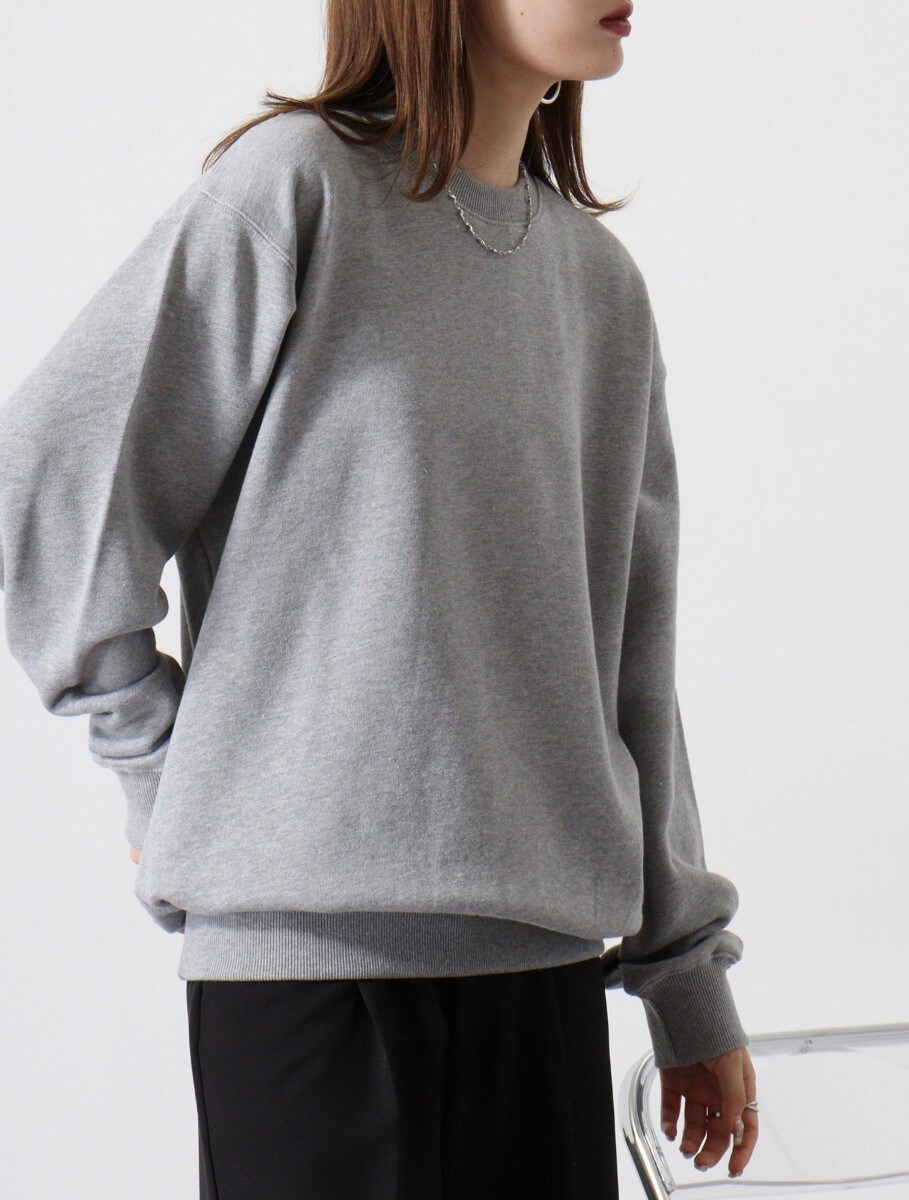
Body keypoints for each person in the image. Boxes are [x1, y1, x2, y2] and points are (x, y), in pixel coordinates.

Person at [0, 1, 759, 1196]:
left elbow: (630, 662)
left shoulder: (598, 287)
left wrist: (685, 976)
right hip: (310, 983)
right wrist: (162, 772)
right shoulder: (294, 190)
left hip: (545, 977)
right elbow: (48, 488)